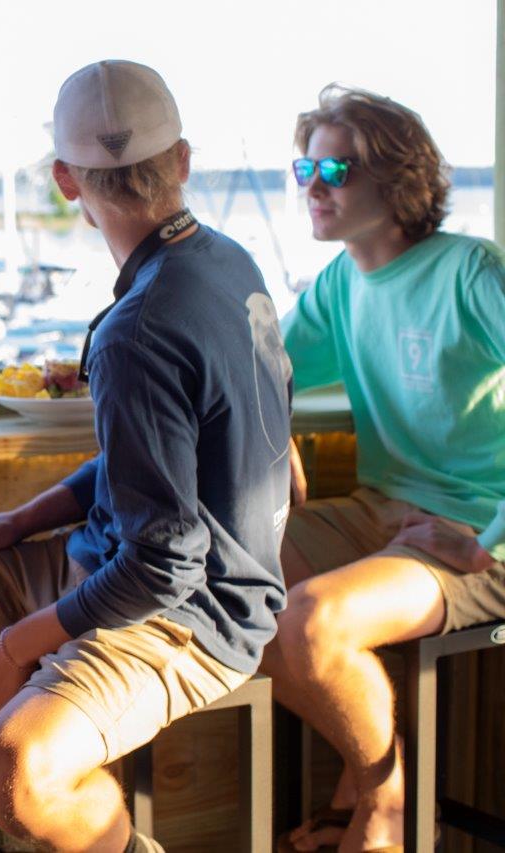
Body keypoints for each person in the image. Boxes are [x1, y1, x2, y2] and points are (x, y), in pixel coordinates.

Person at [0, 60, 292, 853]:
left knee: (16, 765)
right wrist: (24, 518)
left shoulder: (137, 330)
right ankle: (25, 833)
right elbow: (163, 468)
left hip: (194, 613)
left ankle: (34, 810)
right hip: (111, 561)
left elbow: (166, 562)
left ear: (67, 182)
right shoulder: (226, 262)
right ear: (183, 161)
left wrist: (20, 643)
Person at [265, 86, 505, 853]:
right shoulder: (342, 283)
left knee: (310, 620)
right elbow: (260, 370)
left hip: (477, 529)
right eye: (305, 164)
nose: (313, 183)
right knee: (225, 581)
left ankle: (385, 808)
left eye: (336, 165)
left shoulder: (472, 272)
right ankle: (385, 789)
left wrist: (488, 539)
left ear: (400, 181)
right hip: (384, 511)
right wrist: (278, 438)